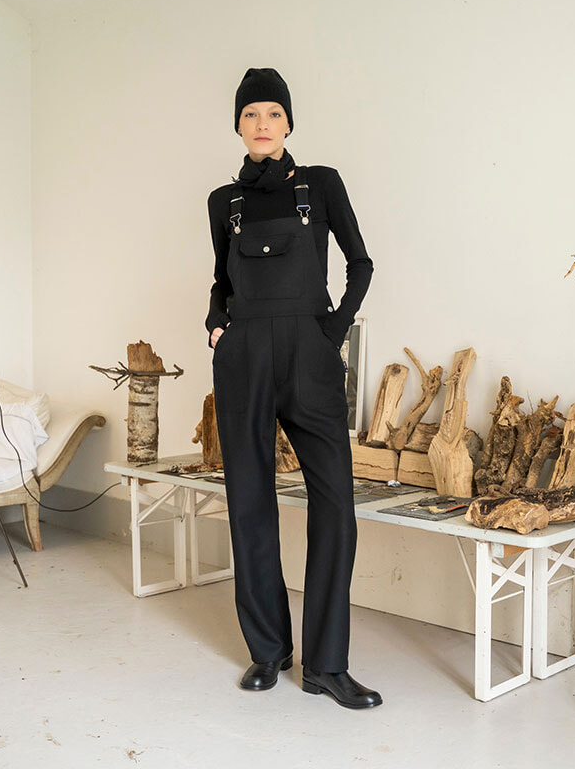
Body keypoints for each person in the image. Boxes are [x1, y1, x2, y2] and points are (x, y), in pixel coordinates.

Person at [205, 67, 380, 709]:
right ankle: (268, 652)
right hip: (244, 354)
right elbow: (221, 282)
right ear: (238, 125)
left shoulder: (321, 185)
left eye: (272, 114)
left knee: (334, 500)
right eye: (250, 115)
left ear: (288, 123)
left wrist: (329, 333)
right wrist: (216, 326)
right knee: (249, 499)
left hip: (309, 353)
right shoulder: (223, 202)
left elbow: (360, 262)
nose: (261, 125)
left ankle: (327, 665)